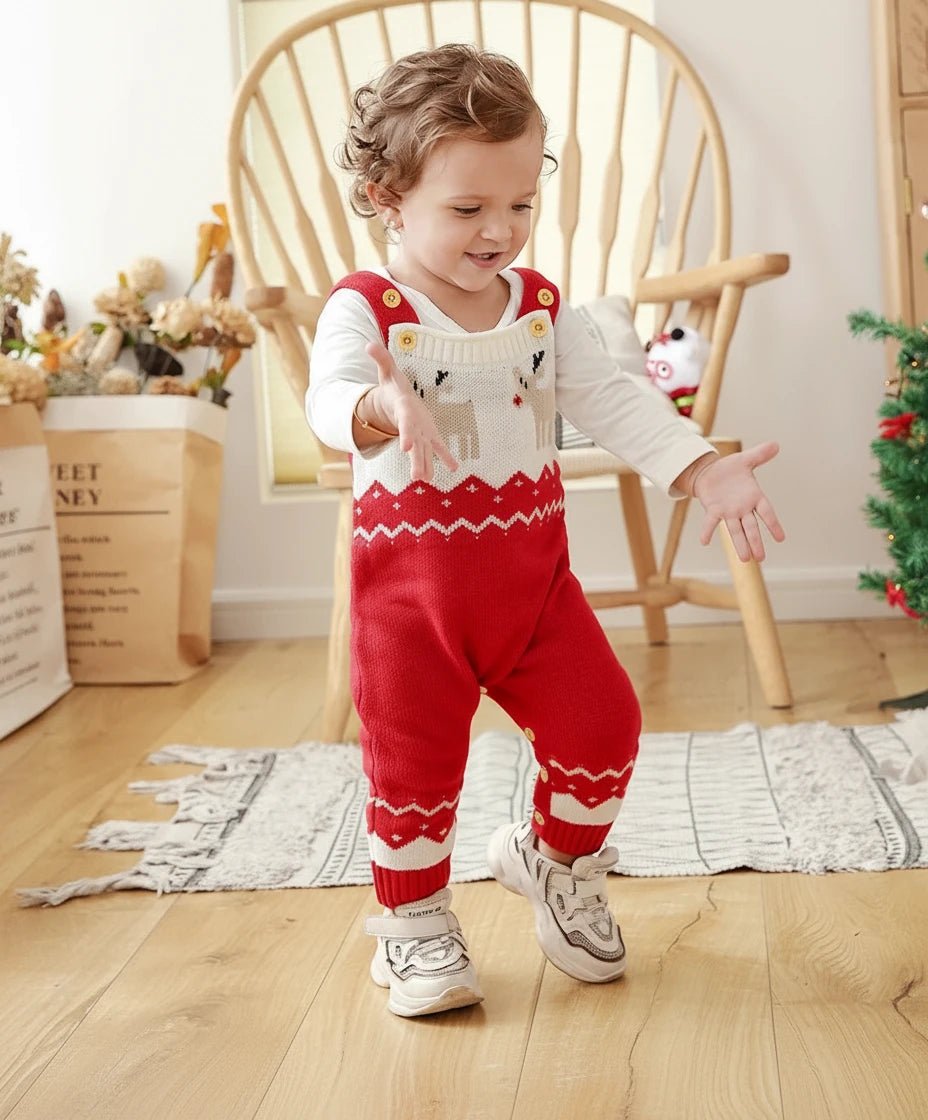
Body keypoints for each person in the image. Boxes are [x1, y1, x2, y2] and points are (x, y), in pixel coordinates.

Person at [306, 43, 784, 1019]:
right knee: (413, 765)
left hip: (531, 588)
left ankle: (553, 859)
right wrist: (379, 414)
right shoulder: (367, 311)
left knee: (603, 724)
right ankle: (414, 925)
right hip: (413, 603)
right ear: (386, 195)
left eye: (520, 203)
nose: (500, 230)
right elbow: (328, 399)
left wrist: (701, 466)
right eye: (468, 208)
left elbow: (611, 399)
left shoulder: (538, 309)